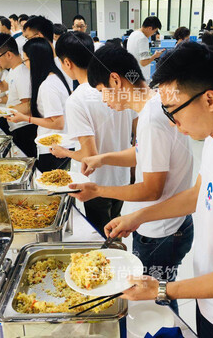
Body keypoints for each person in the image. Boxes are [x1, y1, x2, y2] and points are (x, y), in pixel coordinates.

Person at [104, 41, 213, 338]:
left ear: (209, 100)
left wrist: (163, 289)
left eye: (175, 111)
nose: (174, 124)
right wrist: (139, 217)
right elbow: (199, 194)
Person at [68, 45, 194, 314]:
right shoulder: (156, 105)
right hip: (170, 224)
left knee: (156, 303)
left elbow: (151, 189)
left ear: (116, 80)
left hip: (161, 231)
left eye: (103, 91)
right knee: (160, 294)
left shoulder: (151, 118)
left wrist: (98, 190)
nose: (104, 100)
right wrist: (102, 158)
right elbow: (142, 154)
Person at [50, 32, 138, 236]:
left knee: (102, 236)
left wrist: (65, 152)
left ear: (67, 63)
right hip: (122, 178)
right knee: (116, 231)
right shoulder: (120, 89)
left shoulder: (77, 99)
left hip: (96, 184)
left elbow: (89, 154)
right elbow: (136, 135)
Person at [7, 38, 71, 172]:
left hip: (54, 149)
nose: (25, 65)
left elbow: (58, 123)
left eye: (26, 61)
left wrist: (25, 119)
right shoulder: (54, 78)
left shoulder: (48, 85)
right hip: (54, 145)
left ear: (35, 59)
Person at [23, 16, 73, 91]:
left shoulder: (61, 64)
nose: (27, 43)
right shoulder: (41, 62)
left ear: (38, 37)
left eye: (28, 38)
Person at [127, 16, 164, 83]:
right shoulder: (143, 39)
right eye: (154, 31)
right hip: (141, 77)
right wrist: (155, 56)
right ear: (149, 28)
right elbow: (143, 62)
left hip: (132, 74)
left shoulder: (133, 34)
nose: (153, 34)